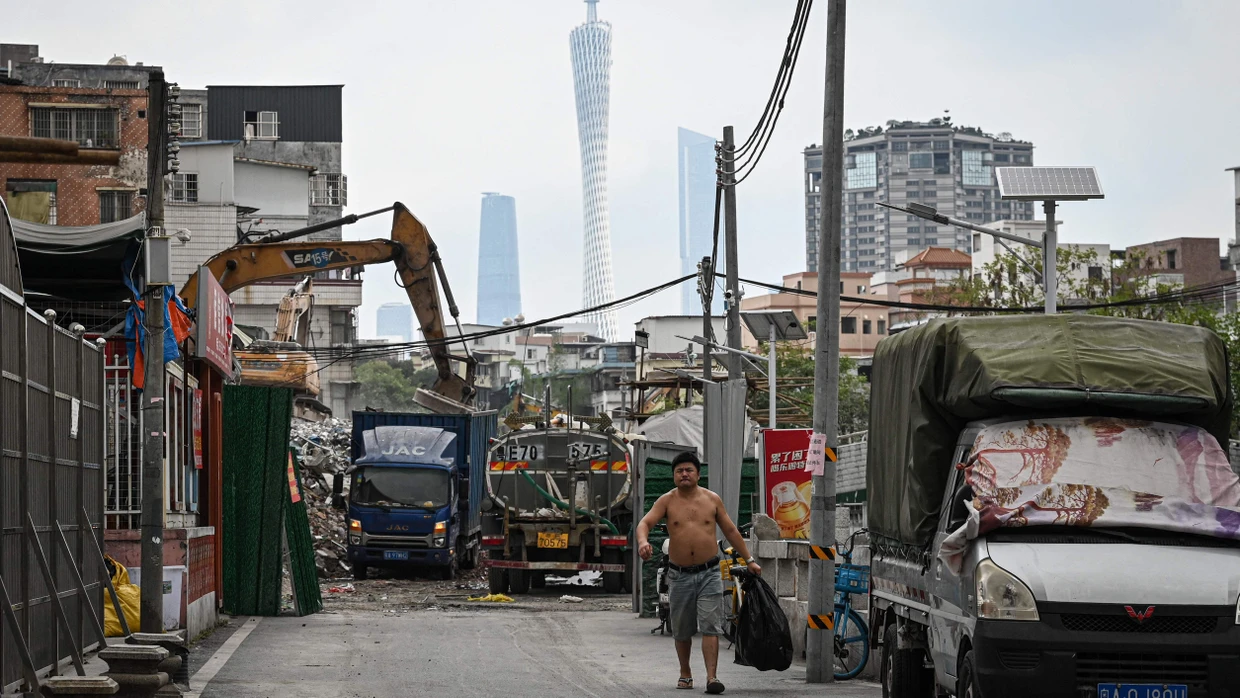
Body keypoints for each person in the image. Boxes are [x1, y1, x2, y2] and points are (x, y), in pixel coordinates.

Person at [637, 451, 761, 695]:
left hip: (709, 572)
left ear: (698, 473)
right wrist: (643, 541)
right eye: (679, 471)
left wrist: (750, 560)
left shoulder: (712, 499)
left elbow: (731, 531)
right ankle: (685, 673)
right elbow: (645, 523)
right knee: (682, 629)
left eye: (689, 470)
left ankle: (712, 677)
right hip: (679, 574)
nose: (684, 474)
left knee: (710, 626)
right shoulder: (666, 501)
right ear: (674, 476)